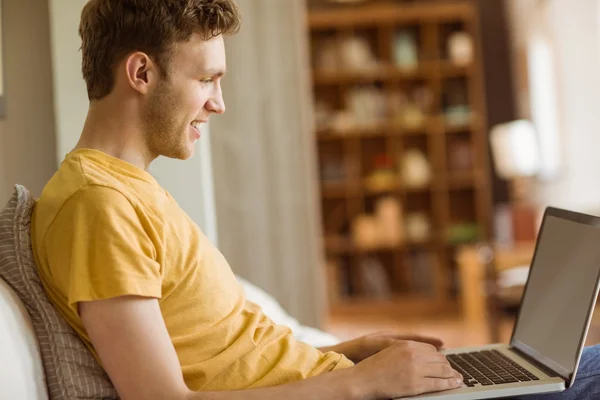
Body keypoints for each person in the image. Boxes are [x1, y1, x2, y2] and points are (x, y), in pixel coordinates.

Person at [30, 1, 600, 399]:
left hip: (341, 384)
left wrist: (352, 352)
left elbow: (227, 350)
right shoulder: (96, 206)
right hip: (353, 396)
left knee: (559, 368)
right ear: (140, 72)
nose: (218, 104)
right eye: (207, 79)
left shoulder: (126, 189)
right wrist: (363, 382)